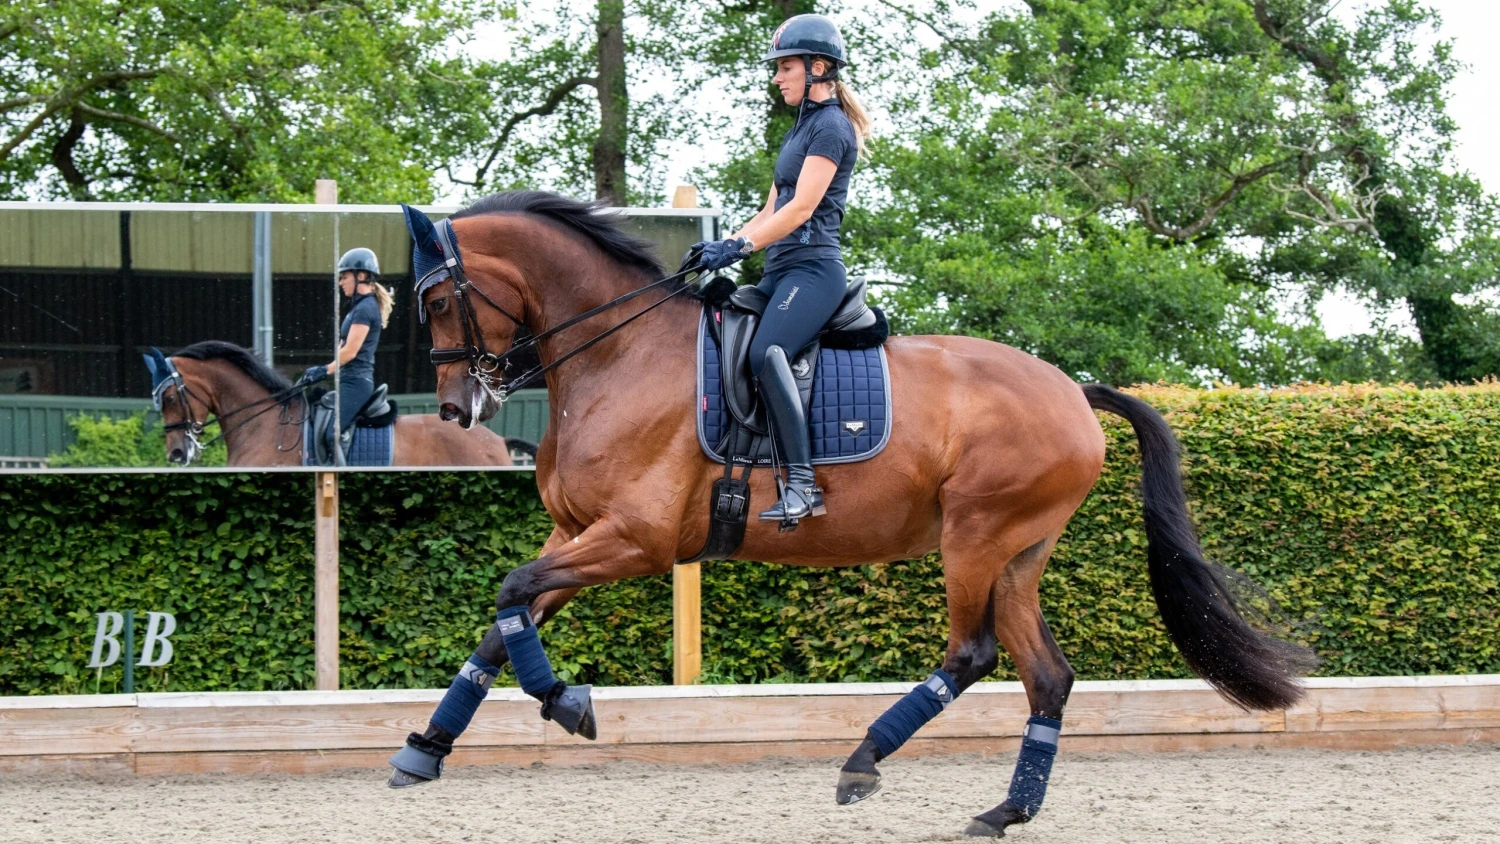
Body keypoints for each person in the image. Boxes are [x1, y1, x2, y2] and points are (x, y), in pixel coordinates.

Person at [691, 13, 872, 522]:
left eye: (785, 66)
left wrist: (740, 248)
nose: (777, 76)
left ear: (818, 67)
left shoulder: (832, 128)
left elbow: (800, 210)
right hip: (778, 272)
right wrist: (718, 246)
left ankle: (802, 485)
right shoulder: (799, 131)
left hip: (813, 271)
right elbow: (771, 210)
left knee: (769, 352)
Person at [303, 248, 394, 455]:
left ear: (360, 276)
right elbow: (341, 350)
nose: (340, 282)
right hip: (347, 381)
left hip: (356, 384)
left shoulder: (365, 309)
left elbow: (350, 352)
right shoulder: (358, 308)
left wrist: (323, 370)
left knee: (330, 434)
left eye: (344, 277)